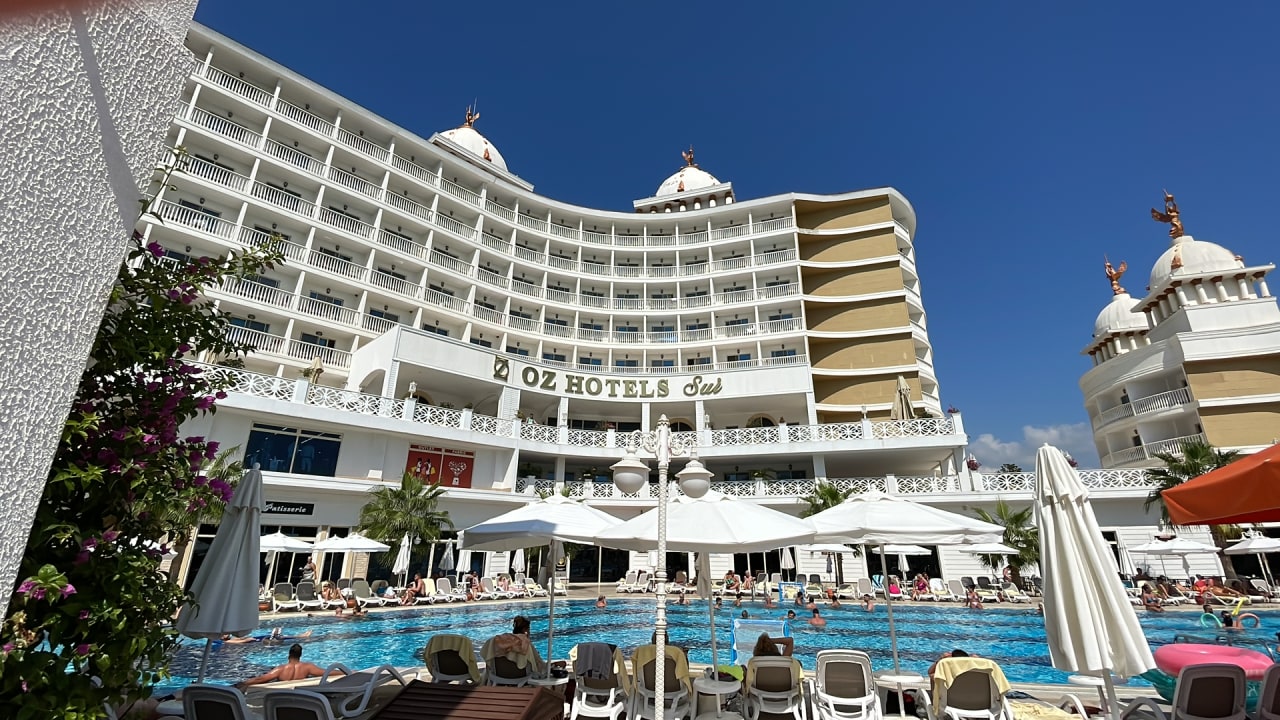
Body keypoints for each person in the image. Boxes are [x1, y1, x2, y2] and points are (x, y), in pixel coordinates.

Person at [235, 644, 340, 689]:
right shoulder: (308, 667)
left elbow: (261, 679)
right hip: (301, 693)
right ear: (300, 655)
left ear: (289, 655)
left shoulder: (280, 669)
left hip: (283, 694)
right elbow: (327, 672)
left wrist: (243, 683)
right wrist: (345, 672)